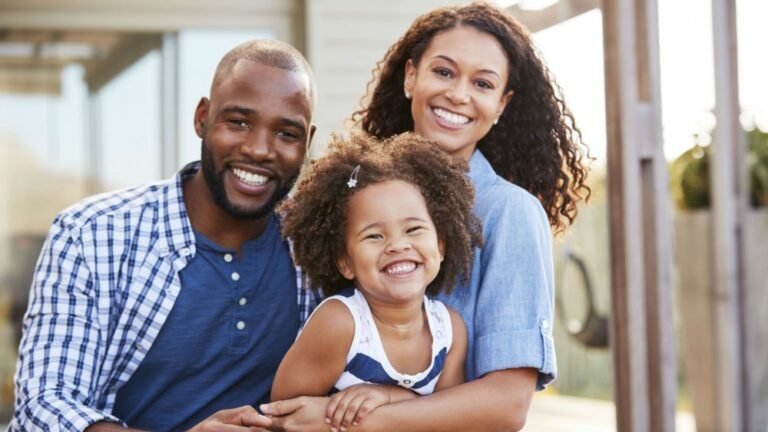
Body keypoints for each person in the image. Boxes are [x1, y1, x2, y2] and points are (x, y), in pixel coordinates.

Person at [262, 3, 591, 431]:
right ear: (411, 76)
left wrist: (358, 418)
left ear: (502, 104)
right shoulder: (355, 191)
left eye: (483, 83)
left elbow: (507, 405)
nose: (459, 94)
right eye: (444, 72)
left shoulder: (509, 214)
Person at [11, 39, 321, 432]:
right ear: (202, 118)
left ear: (307, 143)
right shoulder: (91, 235)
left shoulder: (318, 245)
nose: (260, 149)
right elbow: (44, 407)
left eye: (286, 134)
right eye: (239, 122)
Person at [271, 133, 482, 429]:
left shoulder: (449, 330)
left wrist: (392, 396)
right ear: (345, 262)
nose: (397, 245)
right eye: (374, 236)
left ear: (441, 246)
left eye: (413, 229)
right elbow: (284, 416)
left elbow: (447, 420)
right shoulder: (340, 324)